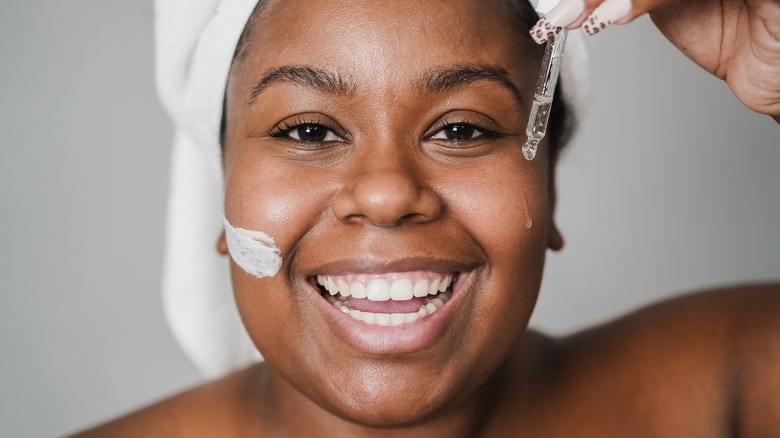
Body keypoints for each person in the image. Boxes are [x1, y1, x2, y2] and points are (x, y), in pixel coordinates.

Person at [72, 0, 780, 435]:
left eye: (463, 129)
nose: (386, 195)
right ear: (223, 187)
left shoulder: (734, 388)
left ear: (550, 187)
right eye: (309, 131)